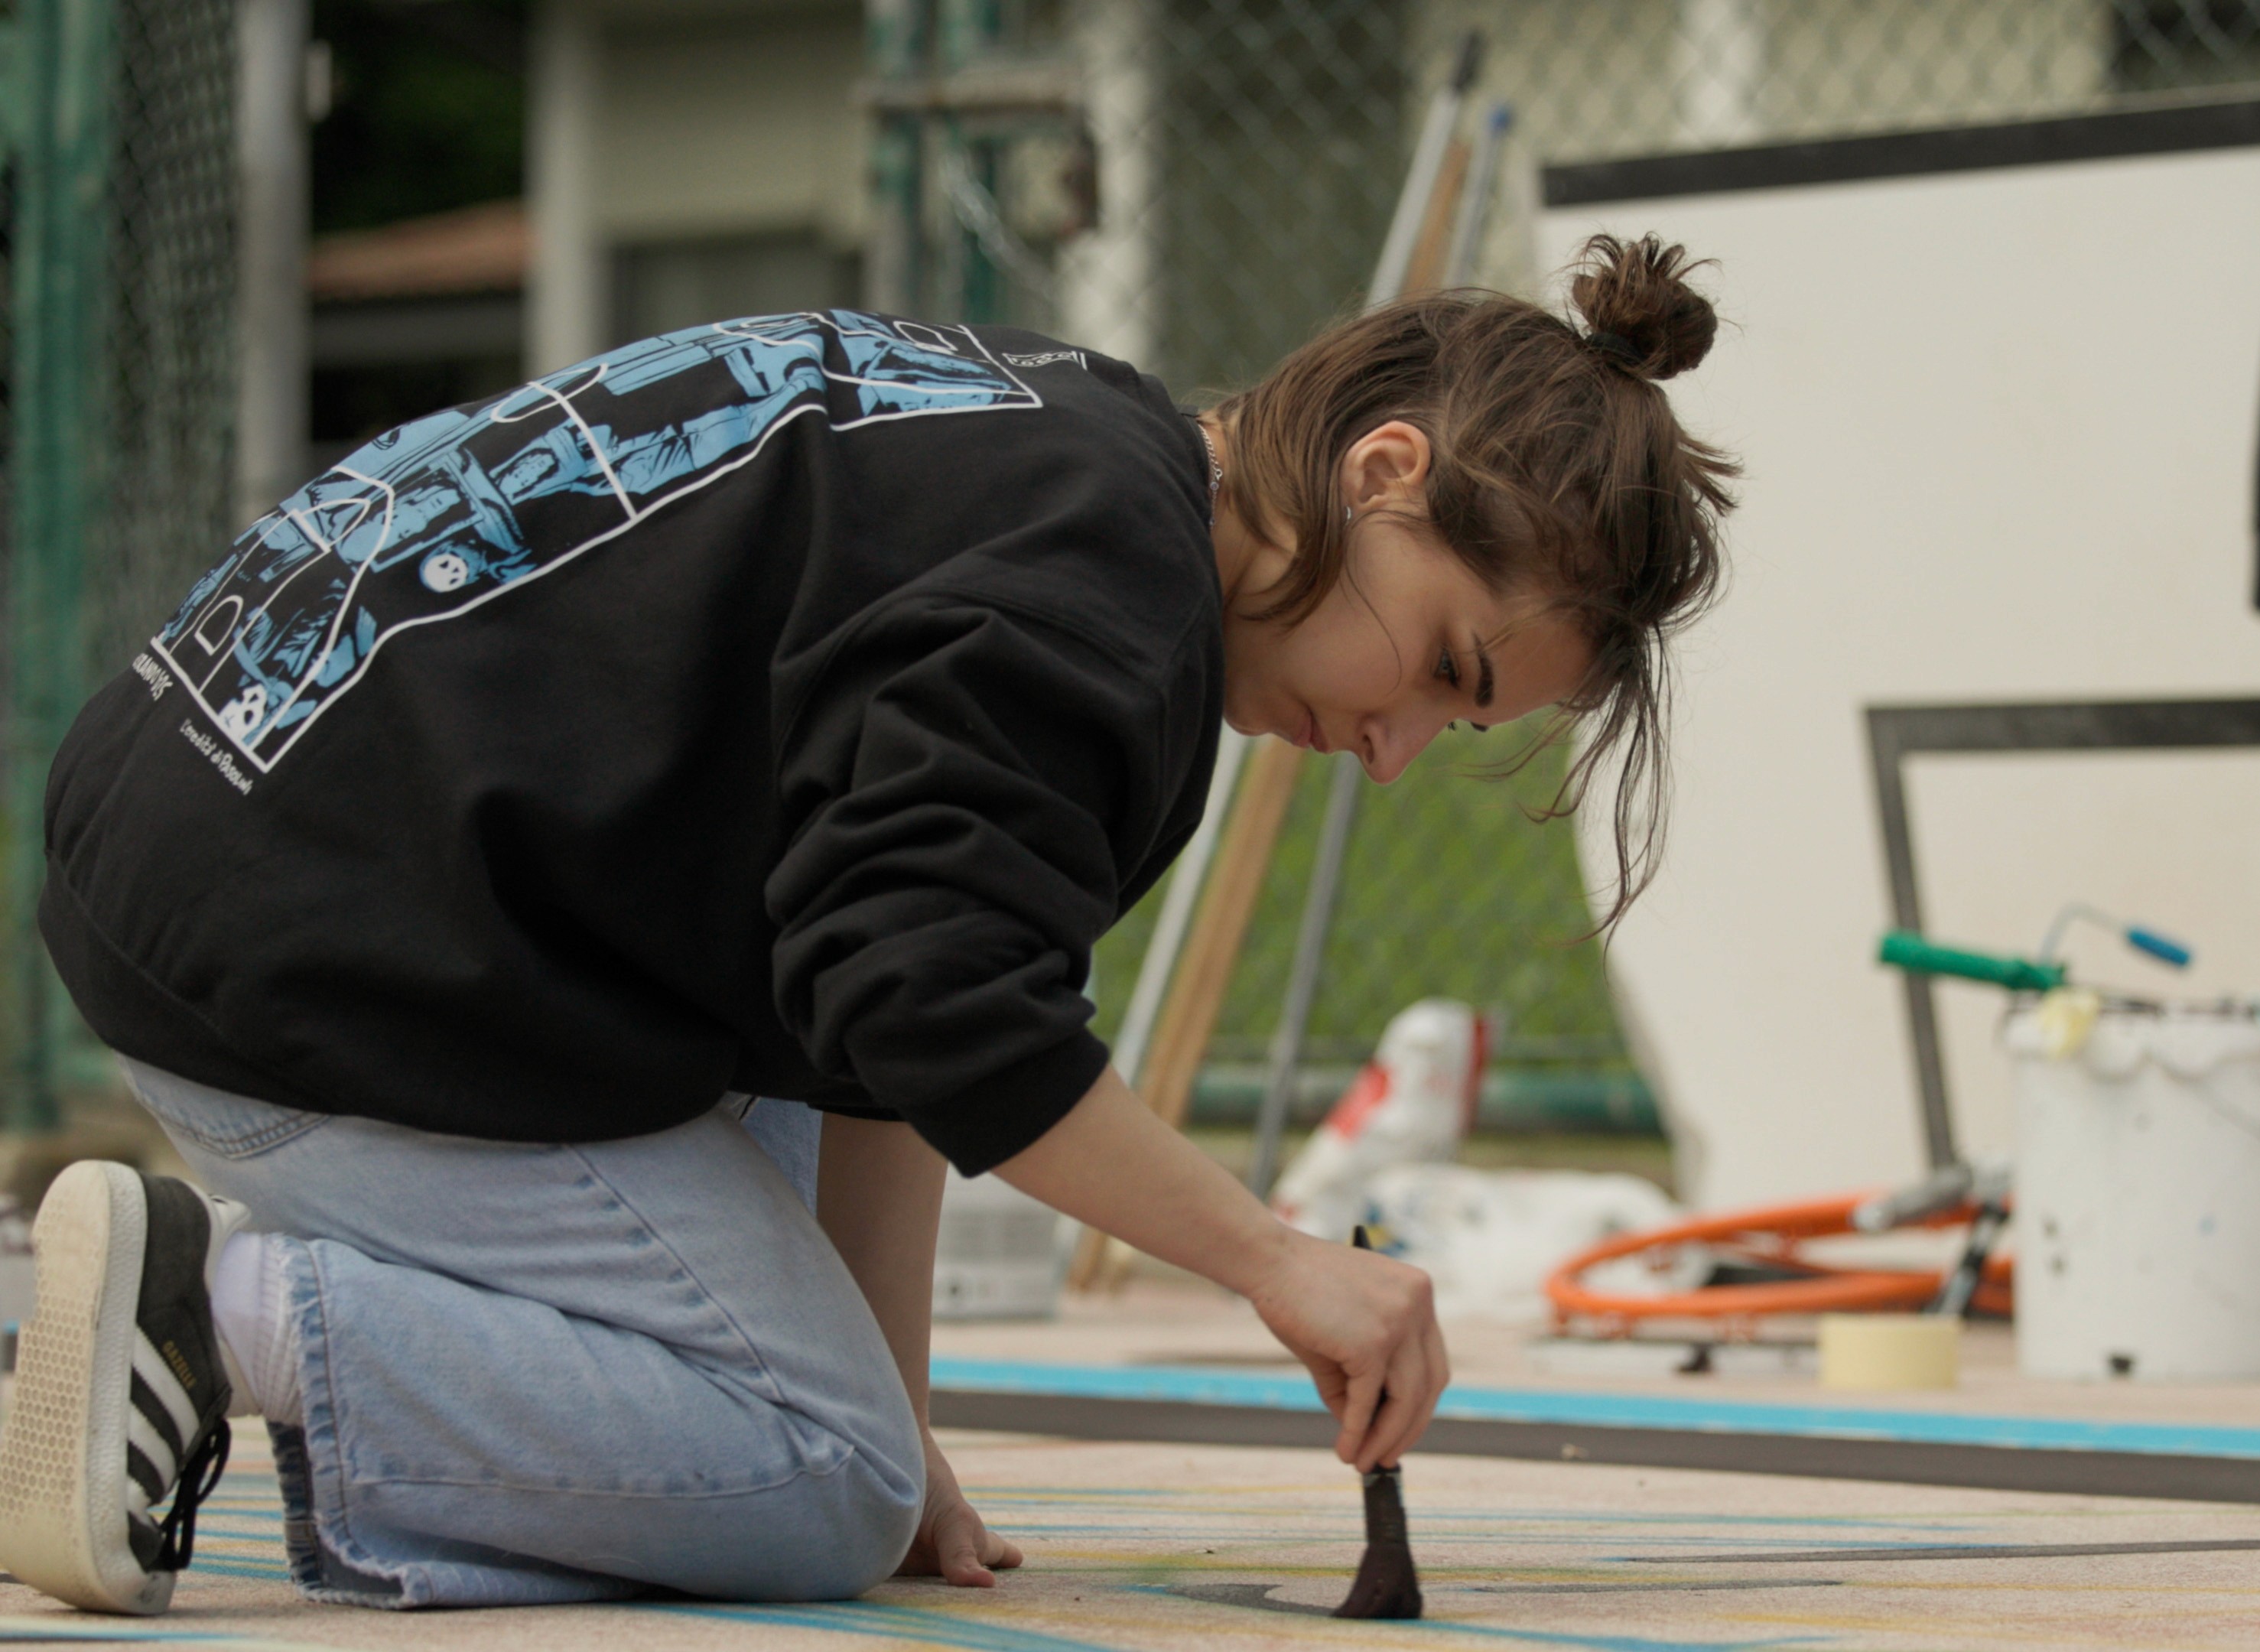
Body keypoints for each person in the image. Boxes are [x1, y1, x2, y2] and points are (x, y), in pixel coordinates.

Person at [0, 233, 1733, 1615]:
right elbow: (938, 1011)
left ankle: (149, 1305)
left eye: (1462, 728)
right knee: (808, 1482)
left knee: (852, 1456)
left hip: (229, 810)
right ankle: (190, 1315)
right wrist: (1282, 1266)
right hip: (305, 950)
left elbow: (865, 1037)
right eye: (1443, 666)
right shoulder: (1108, 613)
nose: (1396, 749)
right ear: (1384, 468)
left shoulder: (1075, 439)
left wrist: (903, 1431)